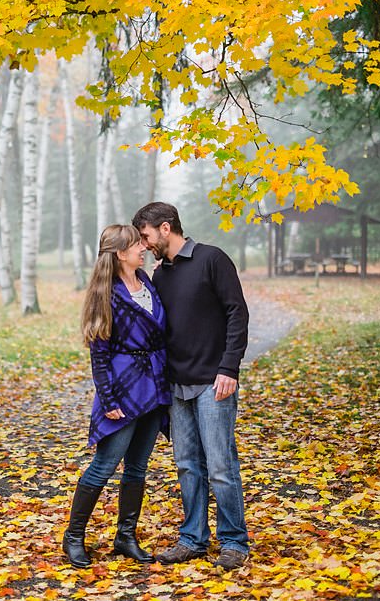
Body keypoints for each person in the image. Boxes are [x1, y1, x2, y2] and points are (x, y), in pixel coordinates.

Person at [132, 202, 251, 571]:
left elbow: (237, 313)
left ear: (165, 228)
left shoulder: (212, 259)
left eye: (146, 235)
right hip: (176, 385)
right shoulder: (161, 274)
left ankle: (234, 542)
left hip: (214, 382)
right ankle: (193, 539)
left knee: (220, 465)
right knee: (187, 466)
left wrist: (229, 367)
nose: (144, 243)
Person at [62, 224, 171, 568]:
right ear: (120, 253)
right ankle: (73, 537)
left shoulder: (147, 282)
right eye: (136, 244)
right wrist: (108, 401)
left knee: (137, 468)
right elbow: (100, 354)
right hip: (123, 391)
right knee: (105, 465)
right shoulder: (106, 293)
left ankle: (125, 537)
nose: (143, 247)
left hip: (153, 387)